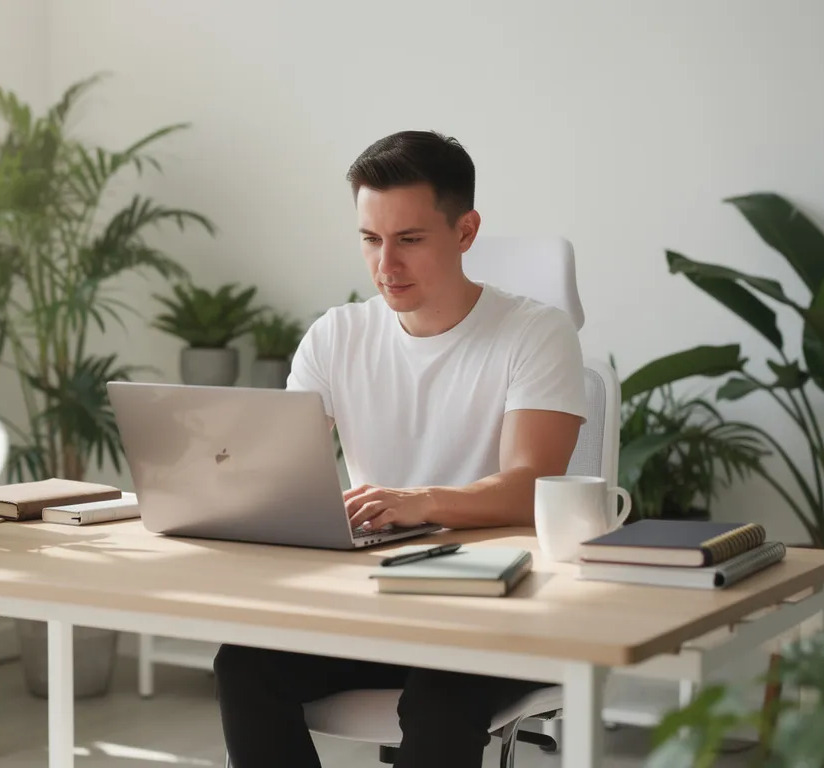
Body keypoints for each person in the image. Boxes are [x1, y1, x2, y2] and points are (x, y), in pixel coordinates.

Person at [211, 130, 588, 768]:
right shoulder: (336, 336)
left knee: (440, 700)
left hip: (494, 609)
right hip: (374, 604)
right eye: (370, 239)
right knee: (244, 666)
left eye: (409, 239)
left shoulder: (535, 333)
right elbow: (281, 474)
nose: (386, 264)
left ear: (466, 231)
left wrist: (421, 503)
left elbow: (533, 485)